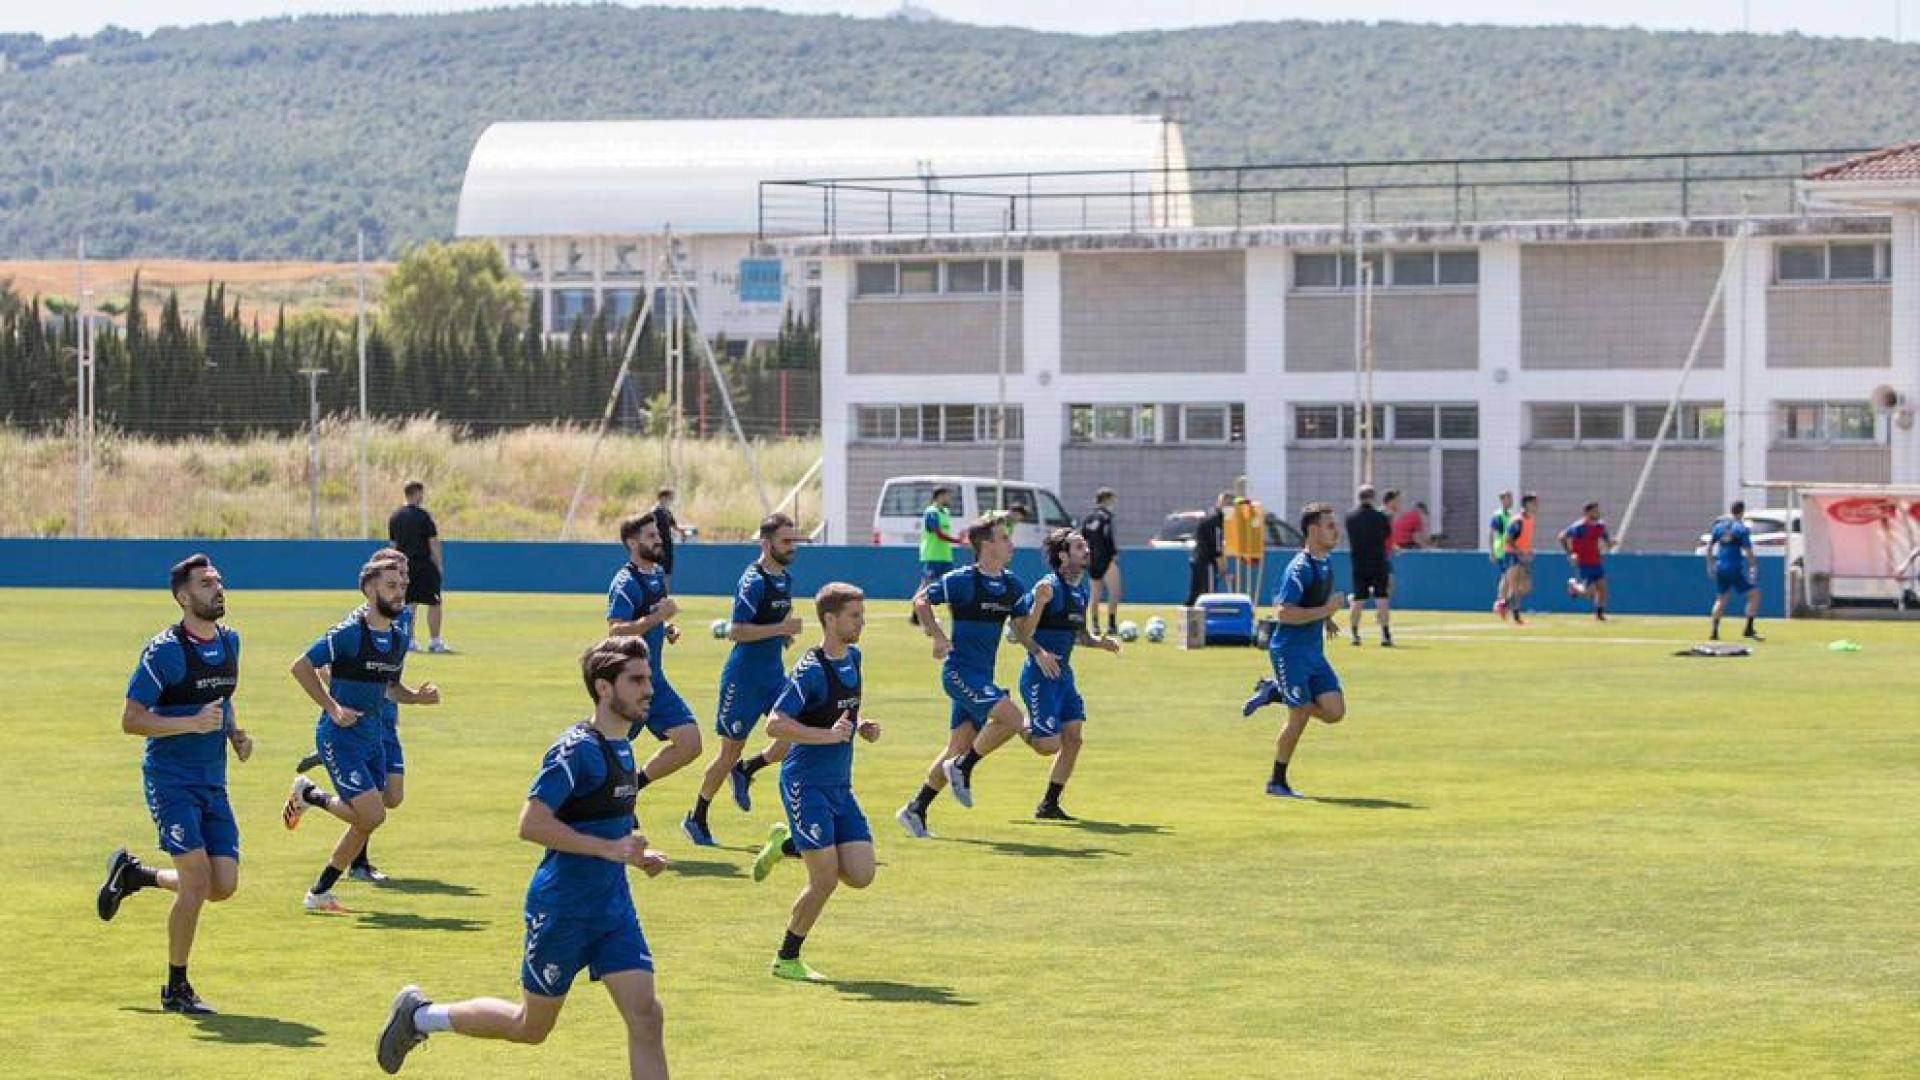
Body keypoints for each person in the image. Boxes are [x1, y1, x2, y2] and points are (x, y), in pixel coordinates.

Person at [375, 636, 670, 1078]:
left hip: (611, 908)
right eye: (637, 680)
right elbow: (530, 823)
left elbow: (606, 816)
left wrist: (637, 852)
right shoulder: (575, 750)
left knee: (647, 1017)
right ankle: (419, 1016)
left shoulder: (623, 744)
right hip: (562, 911)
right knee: (530, 1027)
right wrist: (609, 849)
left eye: (648, 678)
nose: (649, 689)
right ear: (604, 688)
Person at [96, 554, 251, 1016]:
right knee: (197, 880)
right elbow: (131, 720)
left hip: (212, 782)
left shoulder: (231, 642)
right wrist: (191, 723)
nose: (217, 589)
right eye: (206, 584)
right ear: (184, 597)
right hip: (170, 782)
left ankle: (136, 876)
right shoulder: (164, 651)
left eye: (219, 582)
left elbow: (221, 700)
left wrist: (234, 734)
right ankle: (175, 989)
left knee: (222, 885)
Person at [283, 557, 433, 912]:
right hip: (339, 738)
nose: (399, 594)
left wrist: (417, 698)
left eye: (402, 588)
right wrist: (333, 706)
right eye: (391, 587)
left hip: (372, 738)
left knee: (369, 818)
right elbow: (301, 666)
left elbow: (389, 688)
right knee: (373, 815)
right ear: (369, 590)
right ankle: (311, 795)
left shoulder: (398, 636)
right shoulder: (348, 633)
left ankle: (319, 892)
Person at [748, 583, 882, 982]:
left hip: (839, 786)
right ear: (830, 619)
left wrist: (863, 725)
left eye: (861, 614)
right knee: (823, 879)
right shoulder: (809, 670)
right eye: (854, 616)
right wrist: (827, 736)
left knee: (861, 873)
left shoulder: (853, 659)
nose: (862, 622)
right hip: (804, 785)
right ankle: (786, 958)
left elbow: (842, 711)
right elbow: (775, 723)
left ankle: (787, 843)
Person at [896, 516, 1032, 838]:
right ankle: (963, 767)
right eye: (1004, 538)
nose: (1011, 544)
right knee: (1013, 719)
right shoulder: (962, 580)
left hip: (982, 676)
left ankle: (915, 809)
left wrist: (1034, 610)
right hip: (959, 673)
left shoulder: (1013, 585)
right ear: (986, 545)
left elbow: (1023, 630)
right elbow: (921, 600)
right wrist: (937, 636)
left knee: (957, 745)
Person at [683, 513, 804, 846]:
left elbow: (777, 619)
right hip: (743, 681)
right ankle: (696, 817)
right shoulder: (753, 580)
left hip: (773, 677)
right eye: (786, 541)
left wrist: (783, 636)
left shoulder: (786, 580)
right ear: (766, 544)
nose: (792, 547)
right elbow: (736, 630)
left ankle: (749, 769)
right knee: (727, 753)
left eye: (794, 540)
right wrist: (780, 629)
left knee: (796, 734)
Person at [1012, 528, 1122, 820]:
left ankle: (1049, 804)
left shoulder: (1080, 590)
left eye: (1085, 545)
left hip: (1063, 677)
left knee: (1073, 738)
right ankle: (1012, 720)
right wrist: (1039, 650)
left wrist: (1100, 643)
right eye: (1078, 546)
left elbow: (1079, 635)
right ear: (1063, 555)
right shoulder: (1047, 587)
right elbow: (1018, 631)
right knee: (1048, 745)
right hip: (1039, 675)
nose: (1086, 550)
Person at [1241, 504, 1347, 798]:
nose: (1335, 531)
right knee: (1298, 718)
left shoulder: (1325, 563)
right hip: (1289, 652)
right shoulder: (1298, 568)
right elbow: (1284, 613)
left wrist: (1325, 618)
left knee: (1334, 712)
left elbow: (1311, 600)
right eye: (1329, 526)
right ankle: (1277, 782)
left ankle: (1275, 692)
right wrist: (1325, 610)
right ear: (1313, 531)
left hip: (1313, 652)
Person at [605, 513, 703, 796]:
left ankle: (633, 788)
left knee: (690, 744)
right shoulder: (625, 583)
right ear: (632, 543)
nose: (659, 539)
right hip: (628, 684)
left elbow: (650, 617)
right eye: (651, 536)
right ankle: (593, 805)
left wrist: (665, 627)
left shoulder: (657, 575)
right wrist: (655, 619)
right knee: (606, 753)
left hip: (654, 680)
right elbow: (616, 631)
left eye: (658, 534)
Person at [388, 480, 448, 653]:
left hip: (404, 567)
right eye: (421, 493)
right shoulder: (423, 516)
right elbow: (433, 543)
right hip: (423, 565)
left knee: (409, 604)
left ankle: (410, 641)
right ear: (416, 493)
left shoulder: (395, 516)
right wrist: (438, 565)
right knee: (434, 602)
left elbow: (392, 545)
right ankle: (435, 641)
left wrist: (393, 567)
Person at [1344, 485, 1394, 647]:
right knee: (1382, 598)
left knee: (1358, 599)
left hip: (1359, 562)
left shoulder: (1350, 517)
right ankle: (1385, 634)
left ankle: (1354, 633)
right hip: (1378, 561)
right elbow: (1386, 534)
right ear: (1372, 497)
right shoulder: (1380, 517)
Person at [1707, 500, 1764, 641]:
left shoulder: (1719, 527)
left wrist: (1710, 565)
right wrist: (1753, 565)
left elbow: (1709, 547)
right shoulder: (1741, 529)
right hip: (1734, 568)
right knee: (1754, 595)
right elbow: (1748, 550)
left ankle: (1714, 631)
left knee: (1721, 598)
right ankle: (1748, 629)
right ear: (1742, 512)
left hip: (1720, 567)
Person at [913, 486, 962, 627]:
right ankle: (917, 614)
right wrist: (958, 541)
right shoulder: (931, 512)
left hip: (945, 556)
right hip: (933, 555)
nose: (949, 499)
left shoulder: (945, 512)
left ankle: (956, 617)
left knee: (951, 584)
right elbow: (938, 534)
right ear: (940, 496)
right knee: (926, 585)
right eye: (947, 495)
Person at [1560, 502, 1613, 620]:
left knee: (1602, 587)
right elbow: (1562, 537)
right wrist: (1570, 553)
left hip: (1596, 561)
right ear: (1587, 513)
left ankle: (1599, 614)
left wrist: (1610, 543)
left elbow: (1607, 541)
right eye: (1595, 511)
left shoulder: (1600, 526)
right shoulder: (1579, 527)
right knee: (1588, 592)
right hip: (1584, 562)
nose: (1598, 513)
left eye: (1598, 510)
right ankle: (1573, 585)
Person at [1081, 487, 1121, 635]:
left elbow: (1083, 537)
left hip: (1092, 559)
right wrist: (1113, 553)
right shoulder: (1106, 517)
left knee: (1095, 593)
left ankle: (1095, 625)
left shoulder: (1089, 518)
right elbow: (1107, 535)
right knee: (1115, 591)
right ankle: (1111, 624)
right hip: (1105, 557)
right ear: (1107, 499)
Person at [1186, 491, 1232, 607]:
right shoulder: (1216, 522)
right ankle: (1204, 620)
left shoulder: (1211, 517)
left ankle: (1190, 617)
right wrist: (1224, 570)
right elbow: (1217, 548)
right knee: (1208, 595)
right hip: (1206, 562)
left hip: (1199, 559)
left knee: (1196, 593)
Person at [1501, 493, 1539, 625]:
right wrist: (1519, 552)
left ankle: (1504, 604)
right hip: (1512, 555)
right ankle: (1516, 617)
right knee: (1515, 586)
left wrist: (1528, 551)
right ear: (1527, 504)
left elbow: (1524, 539)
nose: (1536, 505)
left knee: (1526, 587)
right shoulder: (1517, 520)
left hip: (1523, 556)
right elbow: (1508, 539)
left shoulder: (1530, 519)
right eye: (1534, 502)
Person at [649, 487, 688, 586]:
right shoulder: (654, 512)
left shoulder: (667, 512)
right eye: (670, 498)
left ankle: (664, 595)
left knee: (667, 572)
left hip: (668, 546)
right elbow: (649, 529)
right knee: (656, 571)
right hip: (658, 546)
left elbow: (674, 526)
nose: (671, 501)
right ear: (662, 498)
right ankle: (654, 595)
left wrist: (682, 532)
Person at [1488, 489, 1515, 617]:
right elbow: (1492, 533)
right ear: (1503, 500)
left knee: (1509, 577)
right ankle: (1500, 603)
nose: (1511, 501)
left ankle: (1502, 604)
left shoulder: (1510, 515)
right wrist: (1492, 551)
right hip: (1501, 549)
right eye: (1508, 498)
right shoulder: (1498, 515)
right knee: (1506, 576)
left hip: (1509, 548)